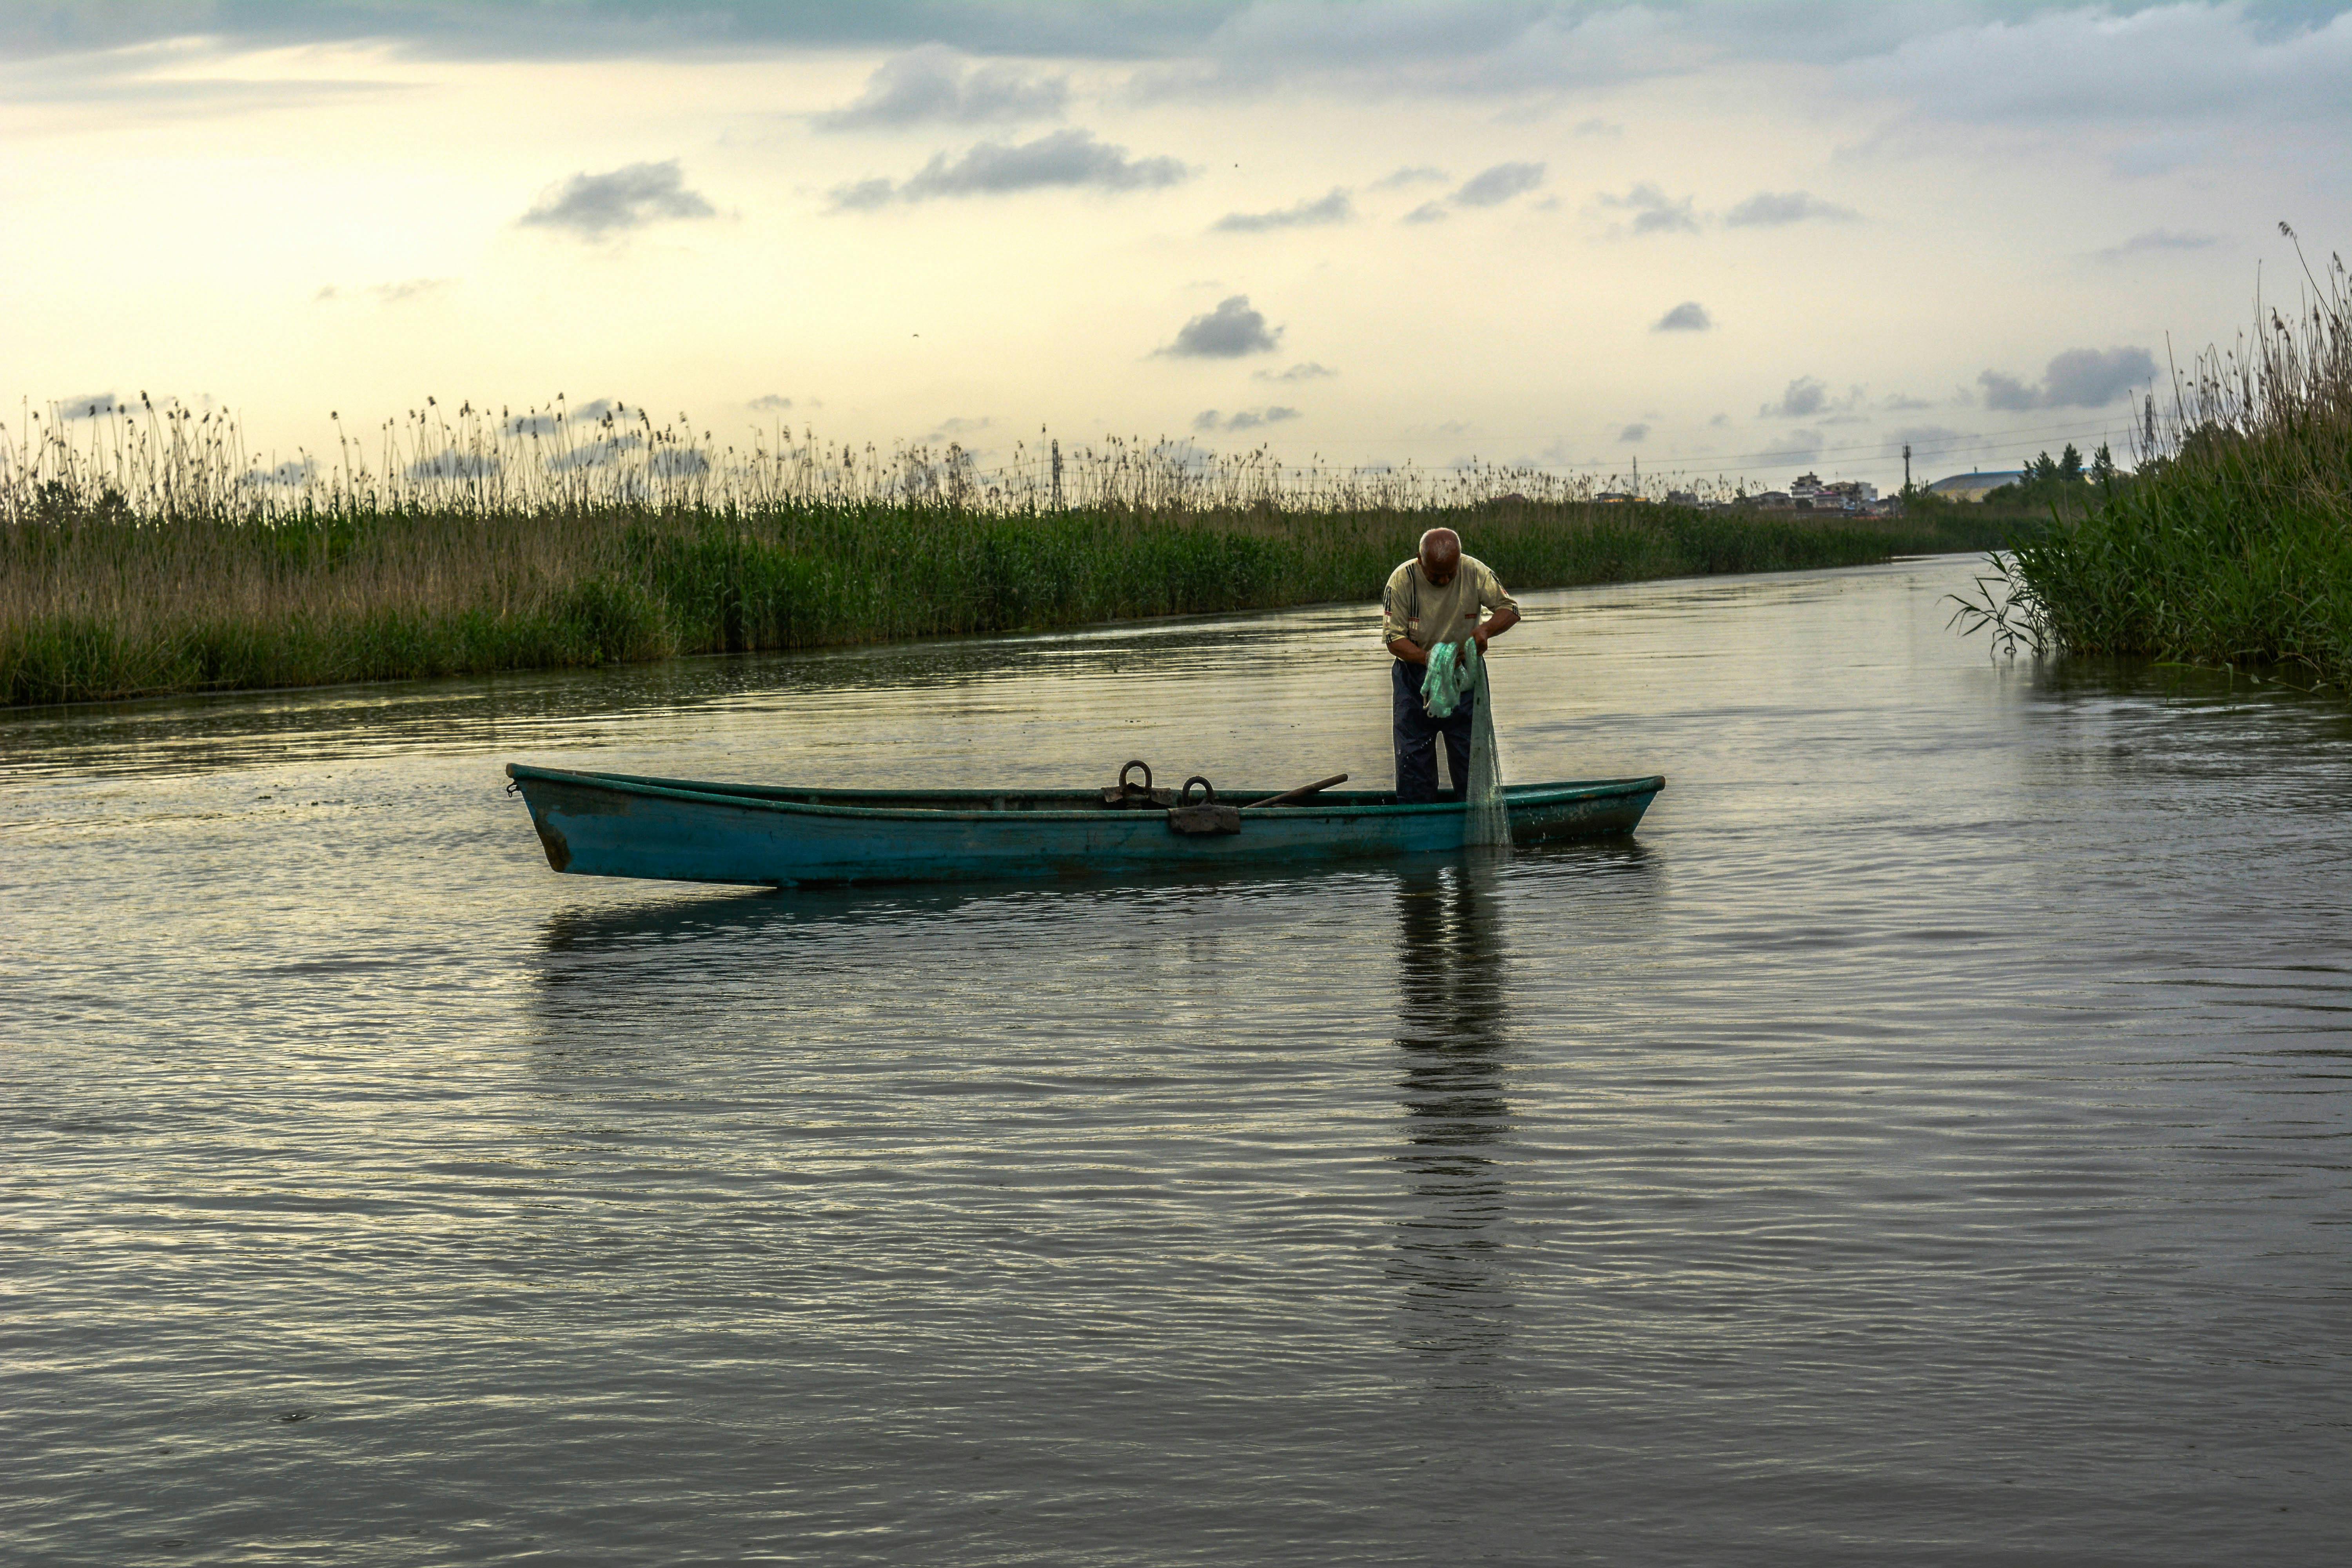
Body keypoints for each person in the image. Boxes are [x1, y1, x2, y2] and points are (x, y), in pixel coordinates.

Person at [1381, 528, 1521, 803]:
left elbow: (1510, 610)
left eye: (1450, 574)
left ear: (1459, 562)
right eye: (1436, 575)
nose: (1445, 580)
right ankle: (1418, 819)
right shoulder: (1402, 580)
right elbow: (1393, 639)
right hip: (1415, 679)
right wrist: (1428, 659)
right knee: (1414, 764)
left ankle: (1472, 818)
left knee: (1472, 764)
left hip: (1464, 676)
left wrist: (1485, 631)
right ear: (1421, 562)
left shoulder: (1474, 571)